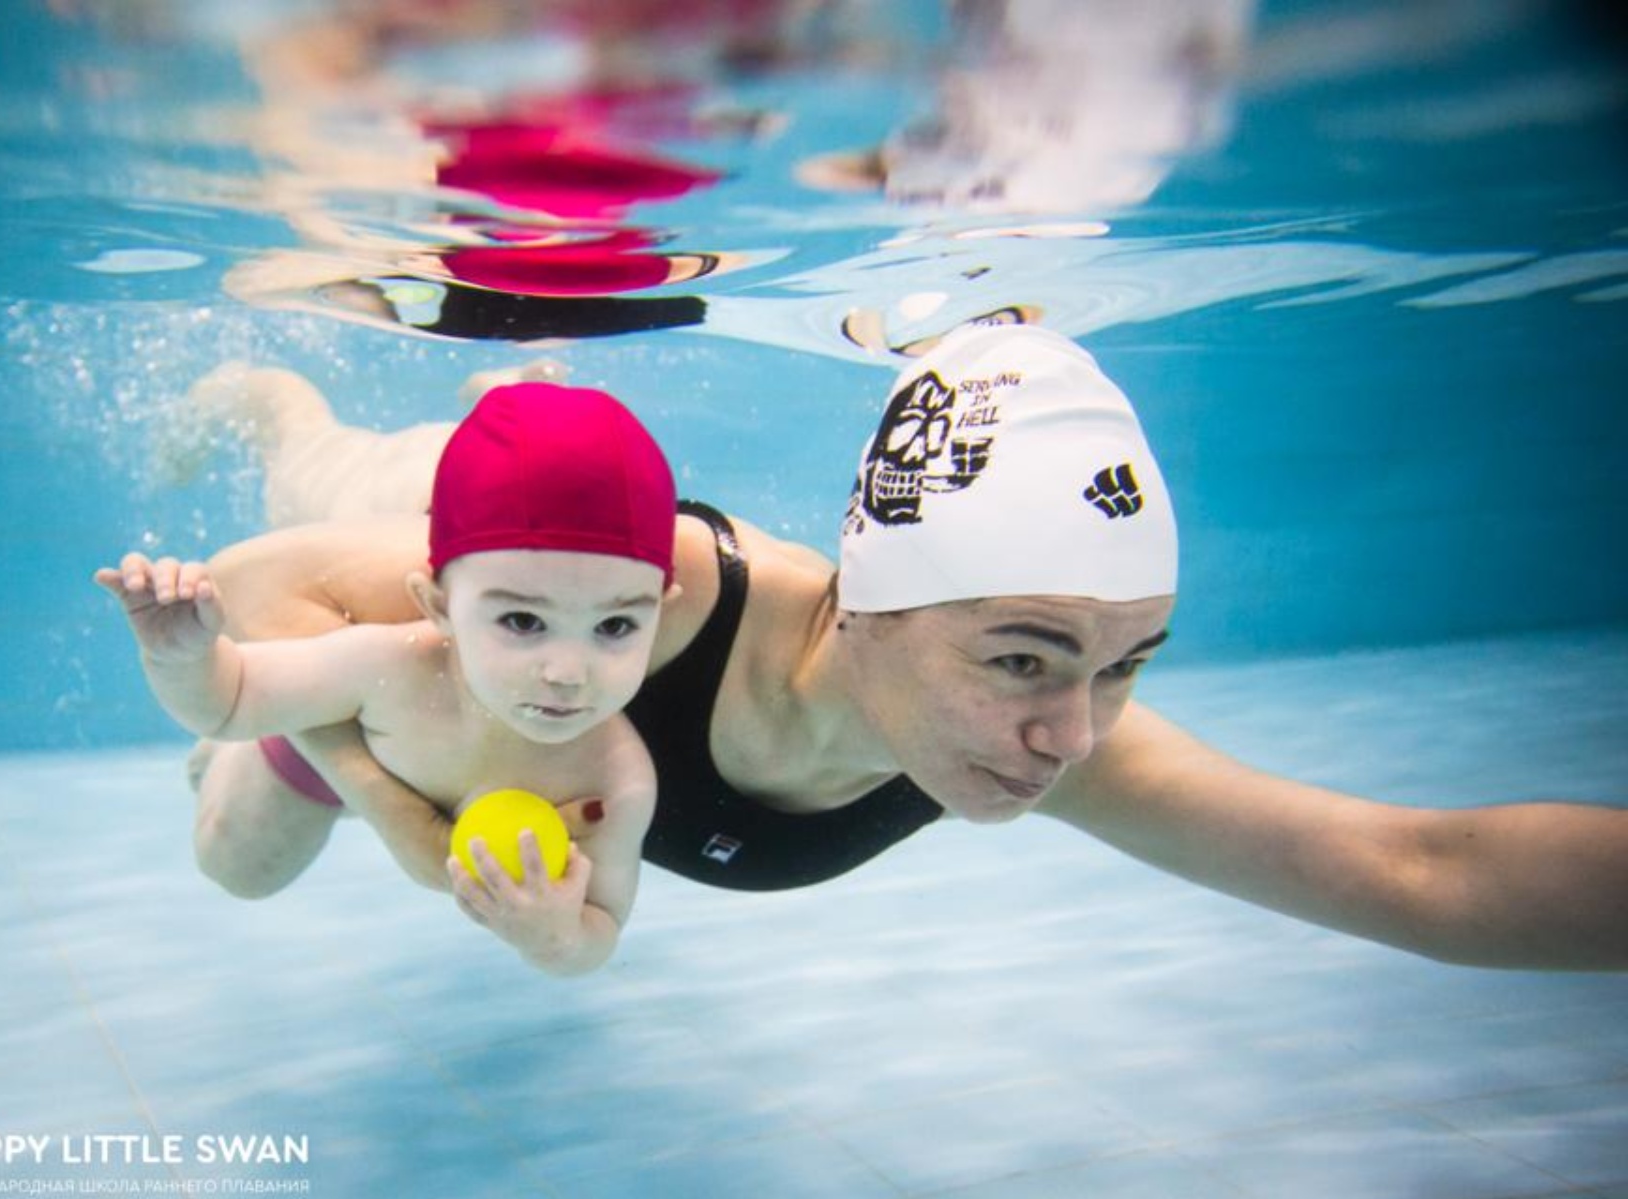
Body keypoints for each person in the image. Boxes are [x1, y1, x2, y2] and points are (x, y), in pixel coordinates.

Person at [182, 323, 1628, 971]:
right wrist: (391, 812)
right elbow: (256, 601)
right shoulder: (662, 598)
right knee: (236, 858)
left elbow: (1419, 872)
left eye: (1126, 662)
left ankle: (532, 382)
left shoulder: (1044, 738)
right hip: (456, 579)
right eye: (1021, 659)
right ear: (870, 602)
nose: (1073, 733)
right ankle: (283, 398)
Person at [97, 383, 683, 977]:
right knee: (237, 867)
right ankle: (263, 391)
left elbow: (601, 926)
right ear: (435, 608)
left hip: (437, 611)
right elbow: (231, 701)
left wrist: (553, 938)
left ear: (663, 610)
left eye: (614, 626)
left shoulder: (617, 778)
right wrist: (181, 658)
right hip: (344, 656)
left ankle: (517, 389)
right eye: (524, 621)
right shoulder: (390, 663)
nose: (567, 674)